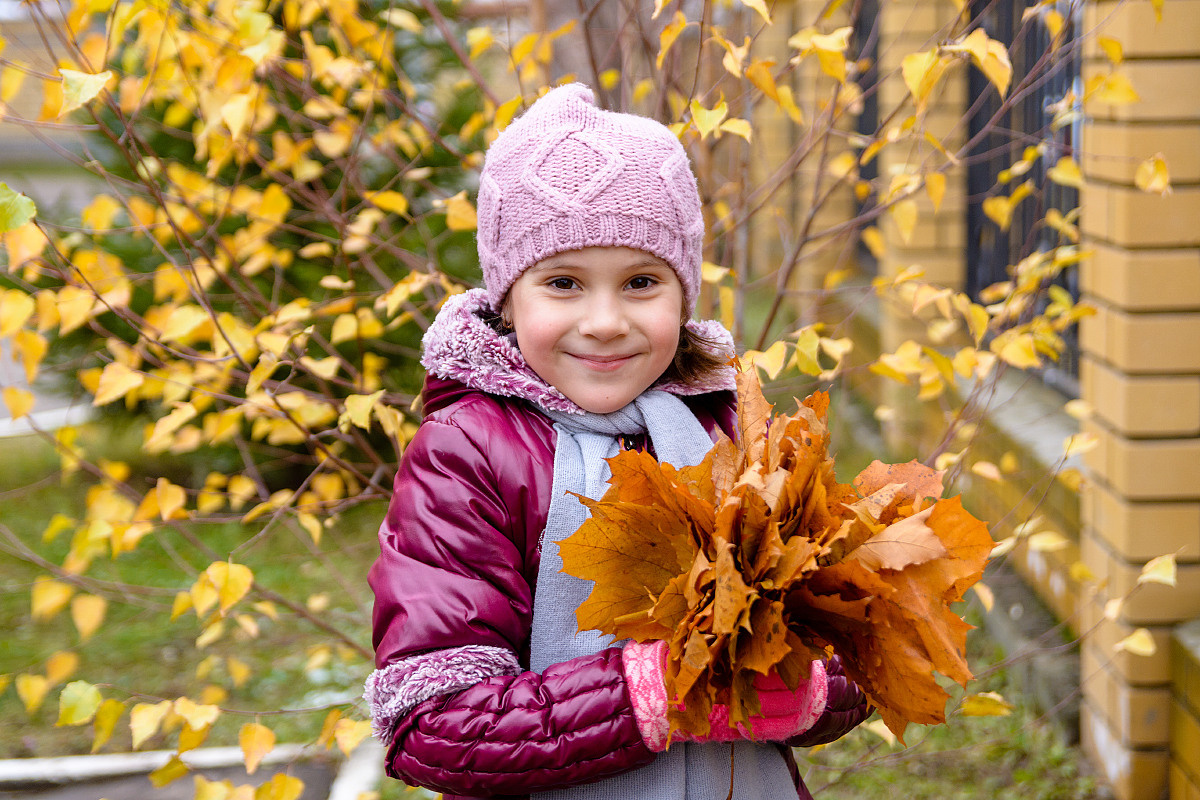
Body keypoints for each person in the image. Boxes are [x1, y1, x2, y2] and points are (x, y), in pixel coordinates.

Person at [364, 83, 870, 800]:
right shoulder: (469, 454)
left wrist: (814, 688)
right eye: (564, 282)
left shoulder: (728, 429)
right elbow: (434, 721)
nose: (604, 321)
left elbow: (848, 634)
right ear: (509, 299)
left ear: (683, 295)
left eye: (640, 281)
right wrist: (649, 694)